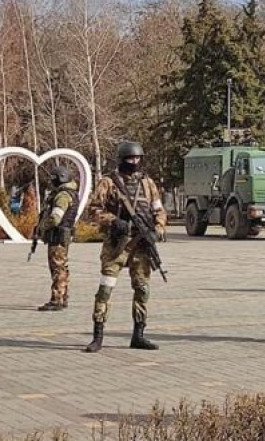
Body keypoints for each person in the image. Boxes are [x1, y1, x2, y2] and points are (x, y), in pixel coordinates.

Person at [85, 142, 167, 353]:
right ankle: (98, 335)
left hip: (141, 245)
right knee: (106, 288)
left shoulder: (148, 184)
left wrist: (158, 229)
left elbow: (159, 210)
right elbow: (93, 210)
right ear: (122, 160)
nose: (134, 162)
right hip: (117, 245)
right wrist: (113, 221)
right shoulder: (108, 183)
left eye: (138, 159)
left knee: (142, 288)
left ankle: (138, 335)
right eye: (130, 159)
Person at [35, 166, 79, 312]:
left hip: (57, 235)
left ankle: (57, 299)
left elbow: (55, 218)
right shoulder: (70, 193)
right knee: (62, 268)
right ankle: (63, 297)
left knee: (57, 268)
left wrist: (42, 227)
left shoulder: (62, 196)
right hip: (62, 235)